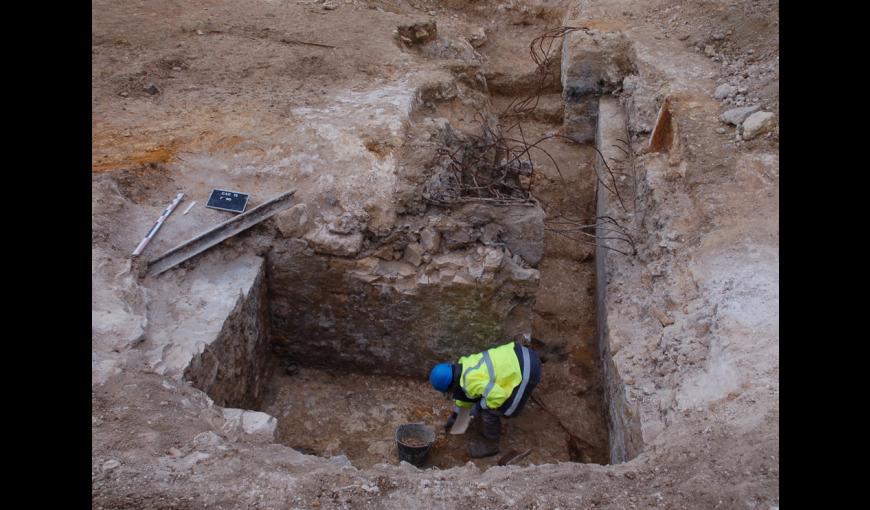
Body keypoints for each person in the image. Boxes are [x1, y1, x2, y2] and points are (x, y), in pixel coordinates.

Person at [429, 340, 542, 458]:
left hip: (528, 370)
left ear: (451, 385)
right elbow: (465, 395)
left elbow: (499, 396)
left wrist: (478, 407)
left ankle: (491, 445)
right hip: (522, 354)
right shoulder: (464, 366)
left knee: (491, 411)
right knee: (482, 399)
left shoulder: (470, 382)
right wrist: (456, 417)